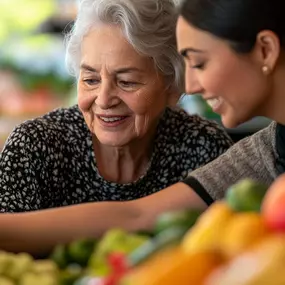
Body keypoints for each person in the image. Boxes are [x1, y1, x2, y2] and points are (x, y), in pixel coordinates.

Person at [0, 0, 232, 254]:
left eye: (127, 82)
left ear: (172, 86)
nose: (103, 100)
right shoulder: (34, 147)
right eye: (90, 79)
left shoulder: (205, 148)